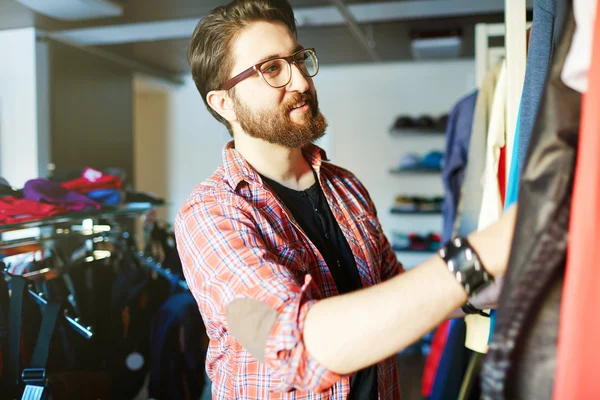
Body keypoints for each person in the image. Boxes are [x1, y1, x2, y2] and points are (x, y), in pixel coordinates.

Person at [174, 0, 517, 398]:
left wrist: (479, 294)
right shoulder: (210, 216)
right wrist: (476, 255)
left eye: (298, 60)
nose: (301, 82)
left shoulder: (346, 186)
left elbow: (393, 291)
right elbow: (296, 346)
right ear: (223, 103)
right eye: (271, 69)